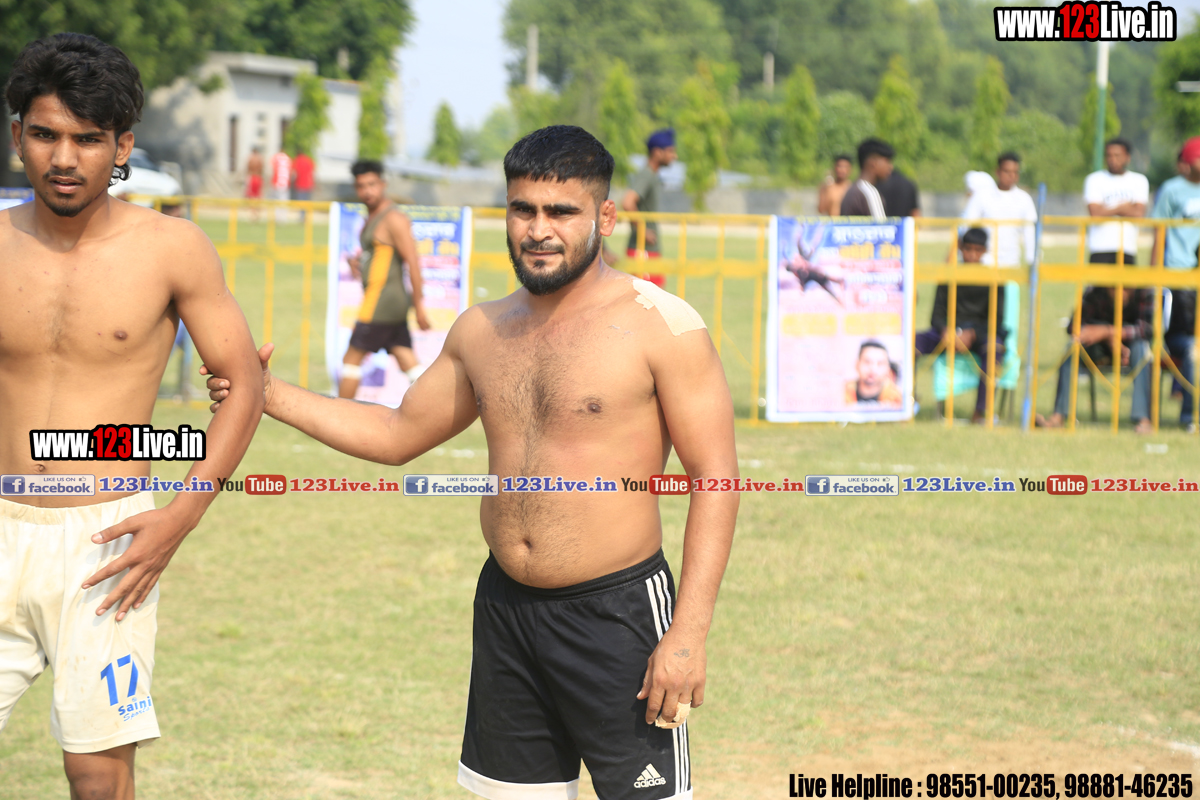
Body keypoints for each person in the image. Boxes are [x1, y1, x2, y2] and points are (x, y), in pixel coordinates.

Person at [205, 125, 738, 800]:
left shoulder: (663, 325)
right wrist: (268, 394)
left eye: (561, 212)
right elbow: (396, 433)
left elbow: (716, 481)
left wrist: (688, 634)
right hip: (506, 611)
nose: (538, 231)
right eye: (523, 210)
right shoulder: (482, 330)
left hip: (617, 615)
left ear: (605, 217)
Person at [0, 33, 264, 799]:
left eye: (87, 139)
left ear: (121, 147)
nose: (63, 158)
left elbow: (243, 384)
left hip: (109, 538)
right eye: (45, 134)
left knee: (98, 775)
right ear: (17, 135)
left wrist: (182, 515)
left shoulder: (172, 248)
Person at [340, 159, 431, 397]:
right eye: (361, 186)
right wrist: (357, 262)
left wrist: (419, 306)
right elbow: (379, 255)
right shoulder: (372, 216)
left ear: (383, 184)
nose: (367, 191)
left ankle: (339, 415)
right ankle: (436, 408)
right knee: (406, 358)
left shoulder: (394, 218)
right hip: (391, 303)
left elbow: (413, 262)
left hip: (381, 301)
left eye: (372, 184)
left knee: (351, 360)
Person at [914, 228, 1005, 423]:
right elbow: (937, 315)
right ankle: (906, 401)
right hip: (947, 334)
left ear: (985, 251)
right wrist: (946, 331)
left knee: (994, 348)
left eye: (977, 250)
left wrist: (972, 334)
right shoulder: (949, 274)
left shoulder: (994, 278)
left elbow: (997, 321)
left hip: (979, 335)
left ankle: (981, 413)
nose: (972, 255)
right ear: (961, 248)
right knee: (910, 343)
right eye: (968, 249)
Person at [1037, 286, 1155, 433]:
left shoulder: (1145, 291)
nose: (1119, 292)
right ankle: (1058, 417)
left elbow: (1147, 330)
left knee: (1142, 350)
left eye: (1125, 288)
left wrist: (1107, 331)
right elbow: (1073, 327)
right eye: (1113, 288)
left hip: (1129, 350)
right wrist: (1108, 338)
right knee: (1073, 348)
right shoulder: (1095, 291)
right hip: (1098, 348)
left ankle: (1144, 420)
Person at [1151, 136, 1200, 430]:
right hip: (1176, 277)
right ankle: (1186, 415)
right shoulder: (1172, 189)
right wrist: (1154, 276)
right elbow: (1158, 231)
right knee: (1186, 346)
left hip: (1196, 278)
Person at [958, 152, 1037, 267]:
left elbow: (1030, 236)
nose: (1011, 176)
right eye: (1007, 171)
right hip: (985, 265)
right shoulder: (982, 196)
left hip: (1011, 265)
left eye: (1015, 172)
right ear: (998, 172)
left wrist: (1033, 264)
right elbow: (967, 227)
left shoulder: (1025, 200)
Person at [623, 128, 676, 287]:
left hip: (649, 250)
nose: (674, 156)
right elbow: (628, 202)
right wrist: (643, 230)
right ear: (657, 152)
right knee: (646, 299)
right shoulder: (646, 174)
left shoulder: (653, 176)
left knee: (657, 296)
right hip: (642, 251)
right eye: (670, 151)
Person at [1084, 138, 1148, 265]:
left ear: (1127, 157)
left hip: (1127, 248)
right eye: (1109, 155)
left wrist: (1107, 209)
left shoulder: (1139, 180)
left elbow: (1138, 214)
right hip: (1099, 248)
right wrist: (1122, 208)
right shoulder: (1094, 179)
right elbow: (1095, 214)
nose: (1113, 160)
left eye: (1117, 155)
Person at [839, 138, 893, 221]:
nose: (890, 167)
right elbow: (881, 228)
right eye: (887, 161)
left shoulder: (853, 190)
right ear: (874, 162)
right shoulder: (869, 192)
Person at [846, 340, 902, 407]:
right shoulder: (842, 394)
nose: (873, 369)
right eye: (867, 362)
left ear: (888, 368)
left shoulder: (897, 399)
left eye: (880, 363)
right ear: (857, 364)